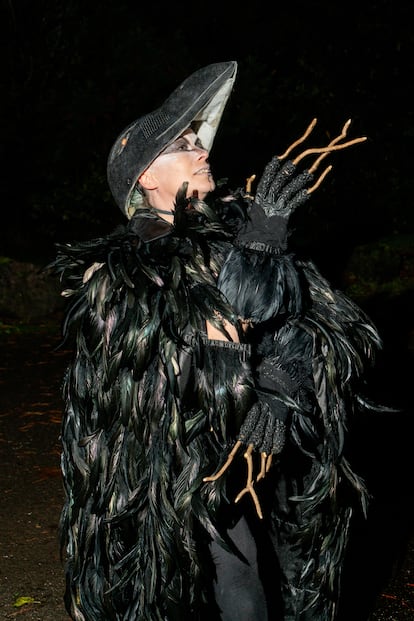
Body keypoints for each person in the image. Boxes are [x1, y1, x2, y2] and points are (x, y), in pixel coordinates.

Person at [50, 61, 383, 620]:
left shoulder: (241, 230)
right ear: (145, 178)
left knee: (267, 577)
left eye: (197, 141)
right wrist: (259, 251)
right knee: (218, 581)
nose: (202, 150)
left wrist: (280, 389)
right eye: (182, 144)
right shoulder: (115, 272)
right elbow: (202, 335)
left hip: (260, 451)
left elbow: (318, 326)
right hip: (175, 465)